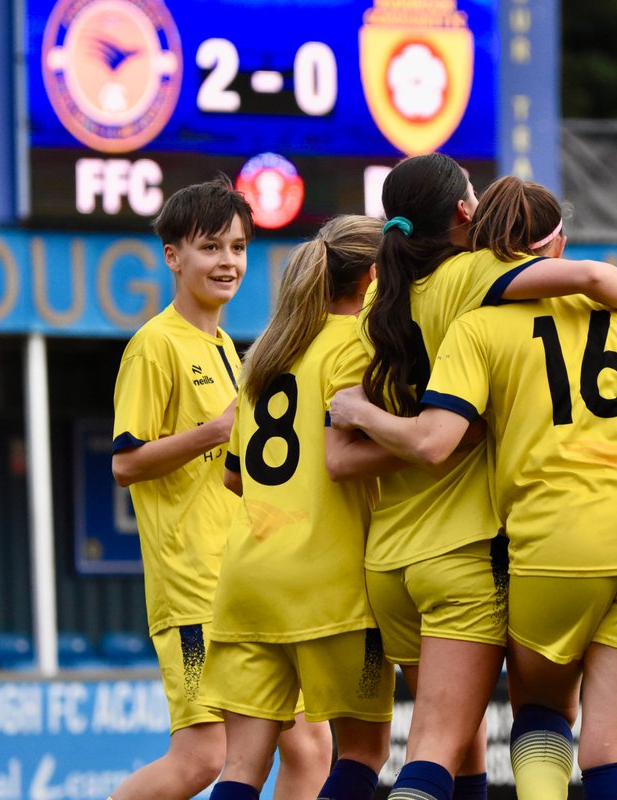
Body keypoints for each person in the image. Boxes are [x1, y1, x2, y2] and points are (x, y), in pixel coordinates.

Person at [330, 175, 617, 800]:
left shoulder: (441, 319)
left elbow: (411, 444)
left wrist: (358, 413)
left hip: (513, 543)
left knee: (515, 719)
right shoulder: (611, 317)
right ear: (556, 243)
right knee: (611, 749)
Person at [109, 177, 330, 800]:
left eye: (237, 247)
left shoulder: (232, 352)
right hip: (194, 585)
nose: (227, 261)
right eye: (210, 247)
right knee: (204, 757)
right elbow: (127, 464)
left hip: (252, 579)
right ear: (173, 256)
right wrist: (214, 430)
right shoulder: (155, 346)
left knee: (311, 748)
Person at [198, 215, 399, 800]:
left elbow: (236, 479)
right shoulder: (363, 344)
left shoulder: (265, 355)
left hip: (247, 581)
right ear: (372, 277)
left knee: (241, 768)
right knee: (363, 752)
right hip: (331, 586)